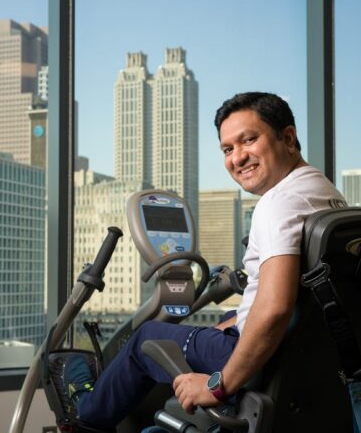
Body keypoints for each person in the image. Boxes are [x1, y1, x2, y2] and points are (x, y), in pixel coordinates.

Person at [64, 91, 346, 429]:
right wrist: (231, 323)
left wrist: (218, 386)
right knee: (228, 316)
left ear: (287, 137)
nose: (237, 158)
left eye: (249, 140)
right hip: (311, 355)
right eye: (228, 149)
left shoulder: (278, 204)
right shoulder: (326, 195)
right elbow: (298, 300)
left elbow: (274, 310)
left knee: (146, 338)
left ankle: (86, 412)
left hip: (266, 358)